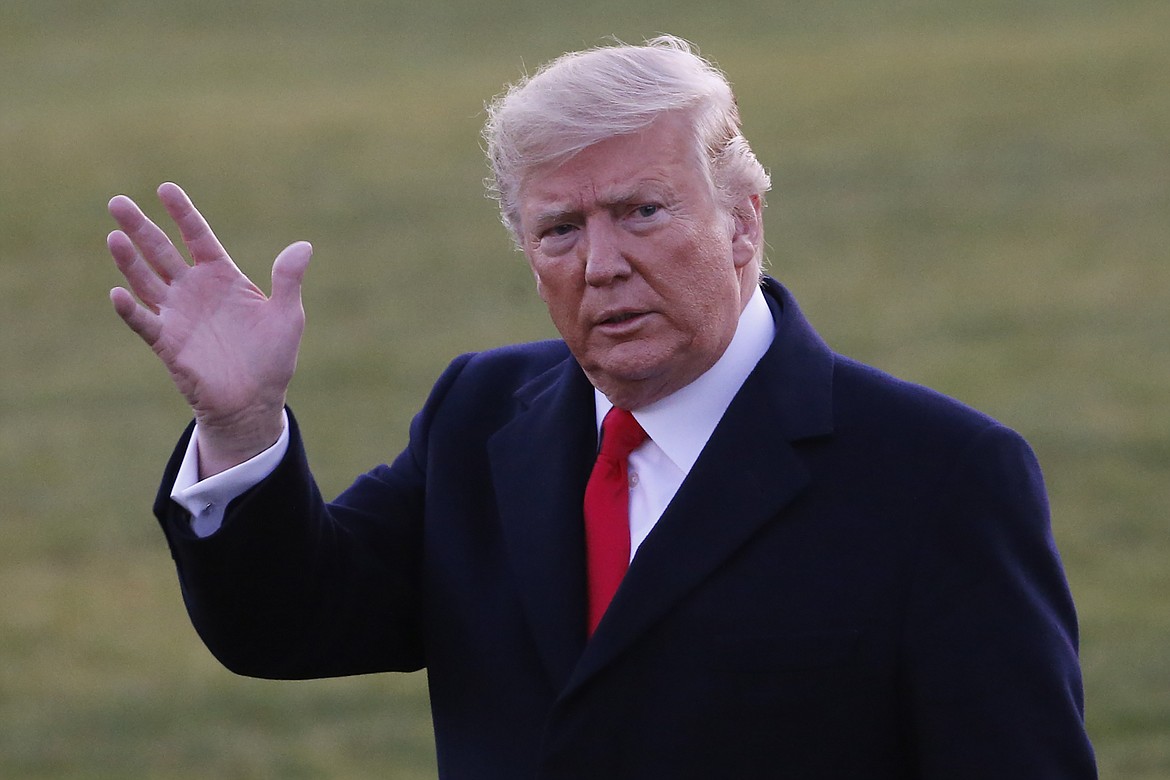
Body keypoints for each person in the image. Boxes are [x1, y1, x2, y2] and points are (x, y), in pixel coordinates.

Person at [106, 35, 1097, 779]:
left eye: (643, 212)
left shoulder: (940, 477)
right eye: (561, 229)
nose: (604, 264)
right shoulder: (480, 417)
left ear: (744, 219)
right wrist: (242, 423)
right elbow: (286, 626)